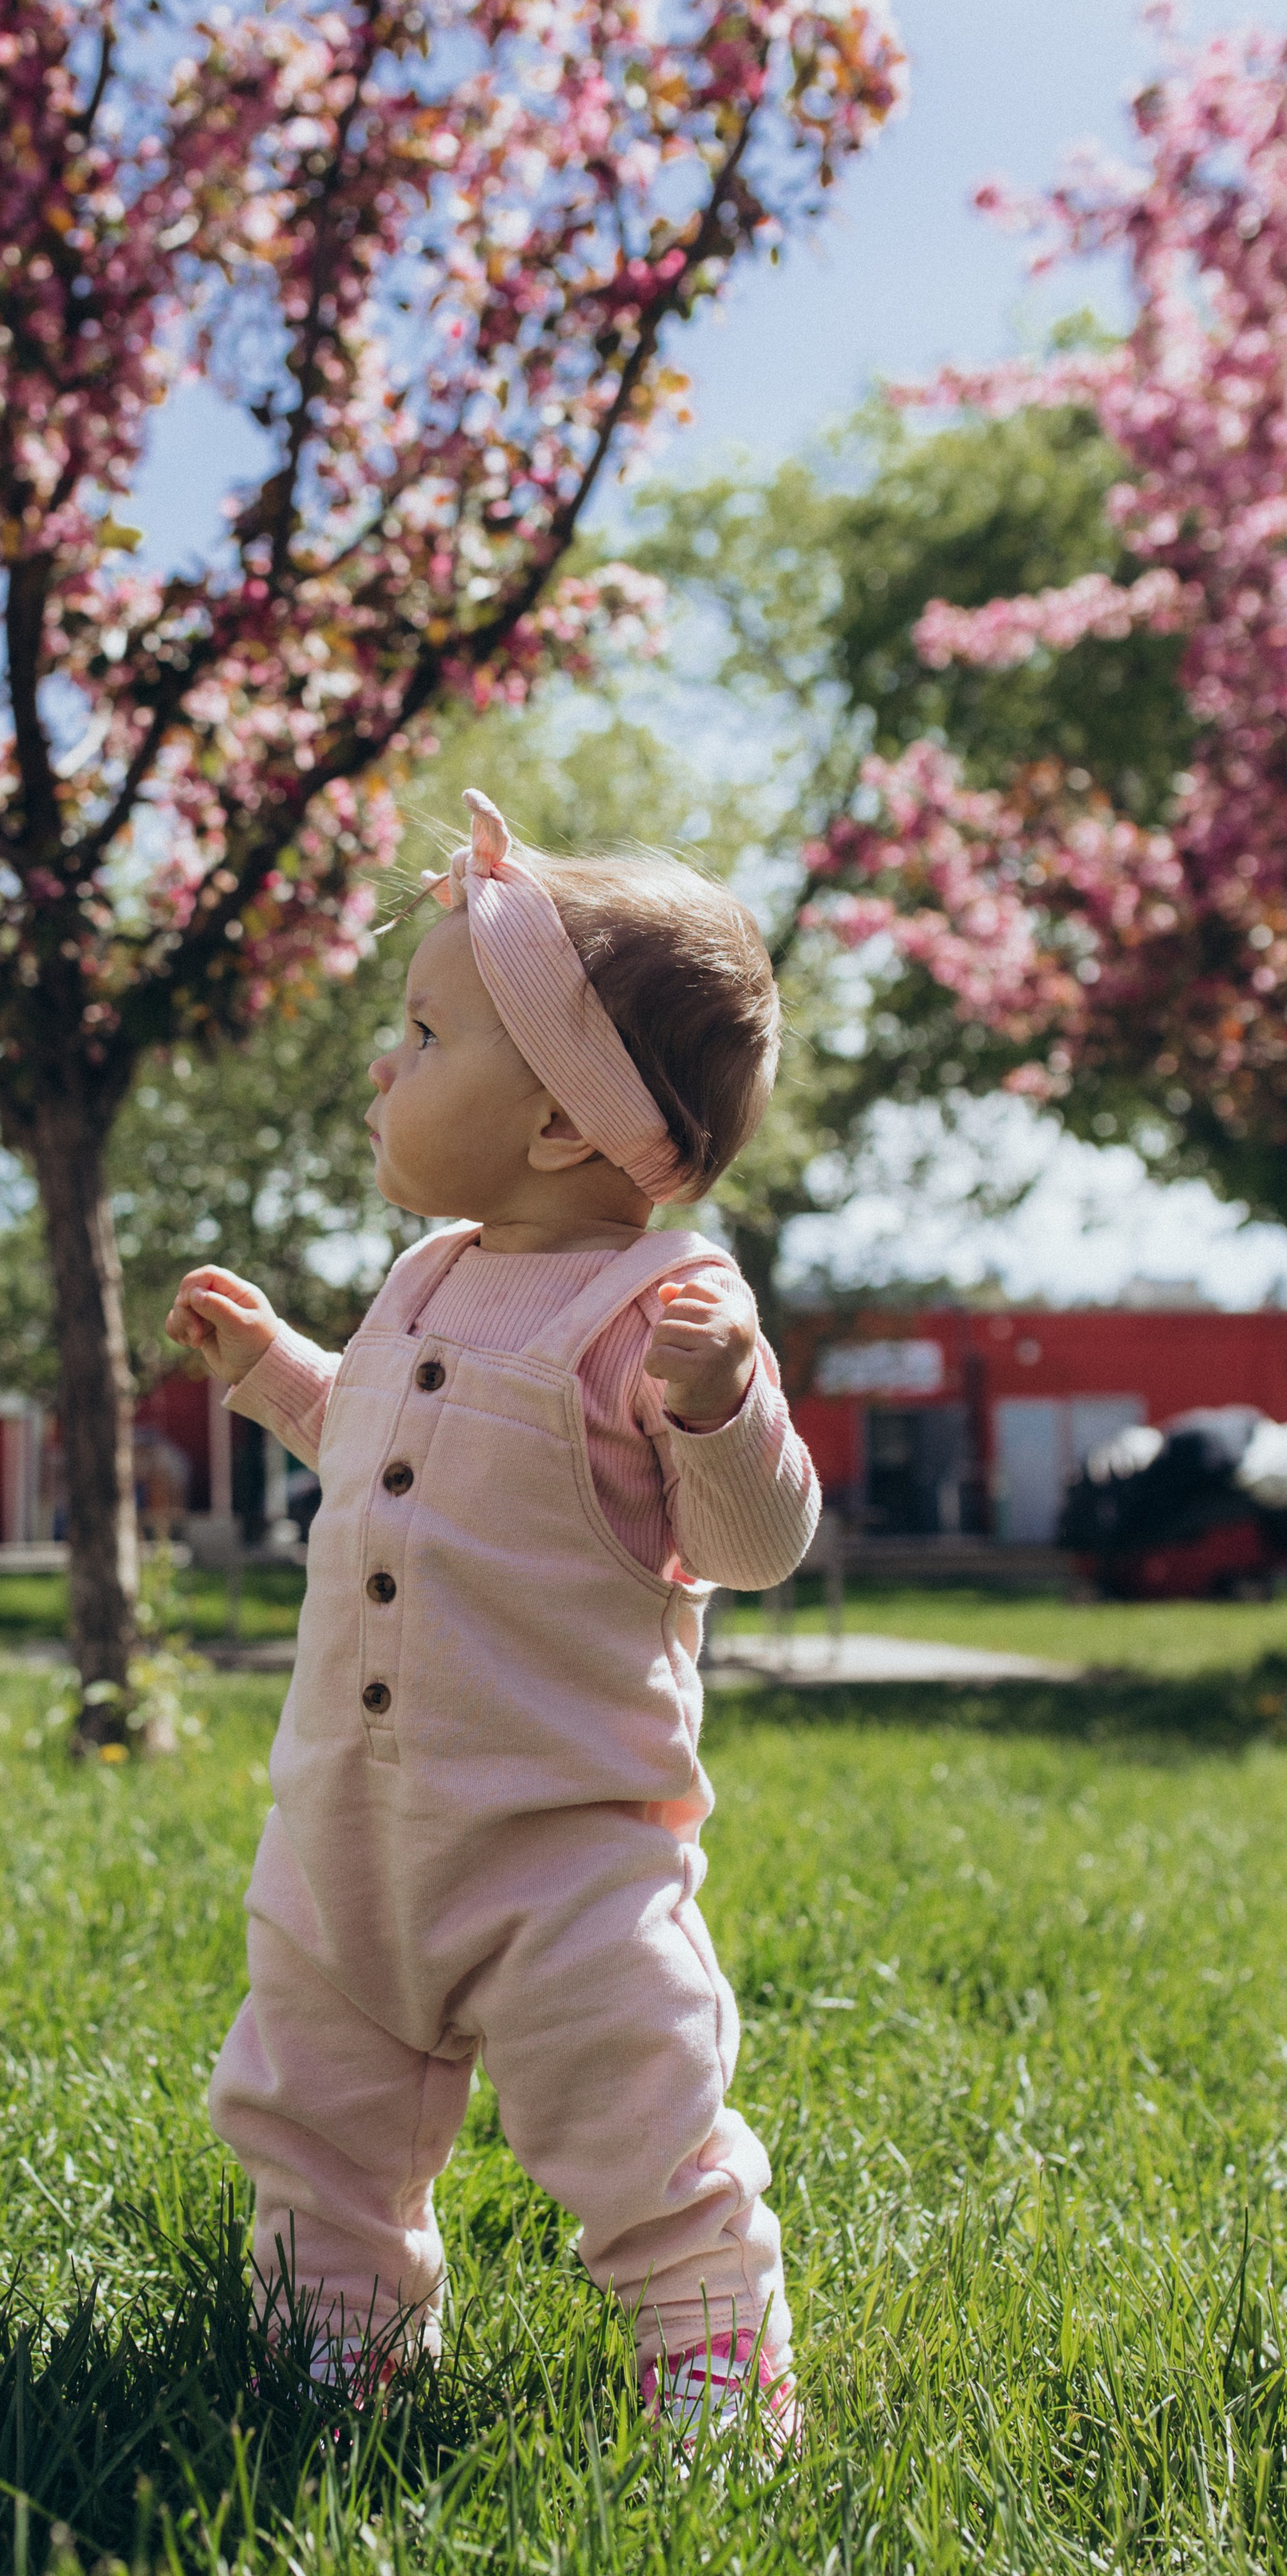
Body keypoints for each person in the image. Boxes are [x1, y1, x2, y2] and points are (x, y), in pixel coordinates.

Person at [165, 789, 820, 2445]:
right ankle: (339, 2344)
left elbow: (746, 1545)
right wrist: (277, 1379)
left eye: (424, 1032)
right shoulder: (423, 1277)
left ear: (552, 1126)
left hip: (558, 1853)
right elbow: (397, 1452)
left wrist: (719, 1410)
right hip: (349, 1831)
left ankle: (713, 2365)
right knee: (311, 2108)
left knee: (631, 2110)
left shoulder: (661, 1306)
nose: (384, 1067)